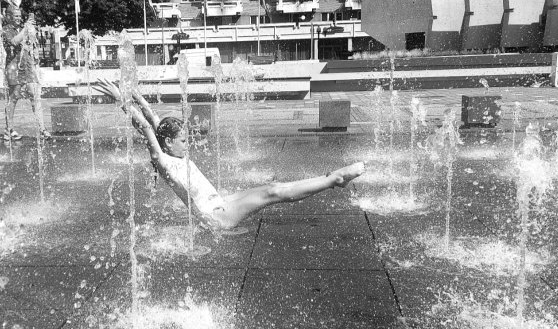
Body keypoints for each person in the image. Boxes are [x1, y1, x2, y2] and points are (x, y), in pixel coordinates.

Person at [94, 79, 365, 231]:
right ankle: (335, 180)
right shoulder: (163, 161)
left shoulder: (173, 153)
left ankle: (330, 178)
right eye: (183, 140)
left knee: (273, 186)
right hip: (217, 218)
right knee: (273, 193)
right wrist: (121, 101)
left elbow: (153, 119)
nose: (188, 145)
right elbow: (144, 127)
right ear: (168, 142)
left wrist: (136, 95)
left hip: (221, 202)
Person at [0, 6, 39, 141]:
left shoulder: (21, 29)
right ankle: (8, 129)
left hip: (26, 65)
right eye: (16, 16)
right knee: (14, 97)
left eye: (19, 16)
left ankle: (41, 128)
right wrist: (26, 29)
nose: (19, 18)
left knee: (34, 94)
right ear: (9, 16)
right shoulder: (6, 30)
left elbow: (29, 44)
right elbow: (14, 42)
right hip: (13, 66)